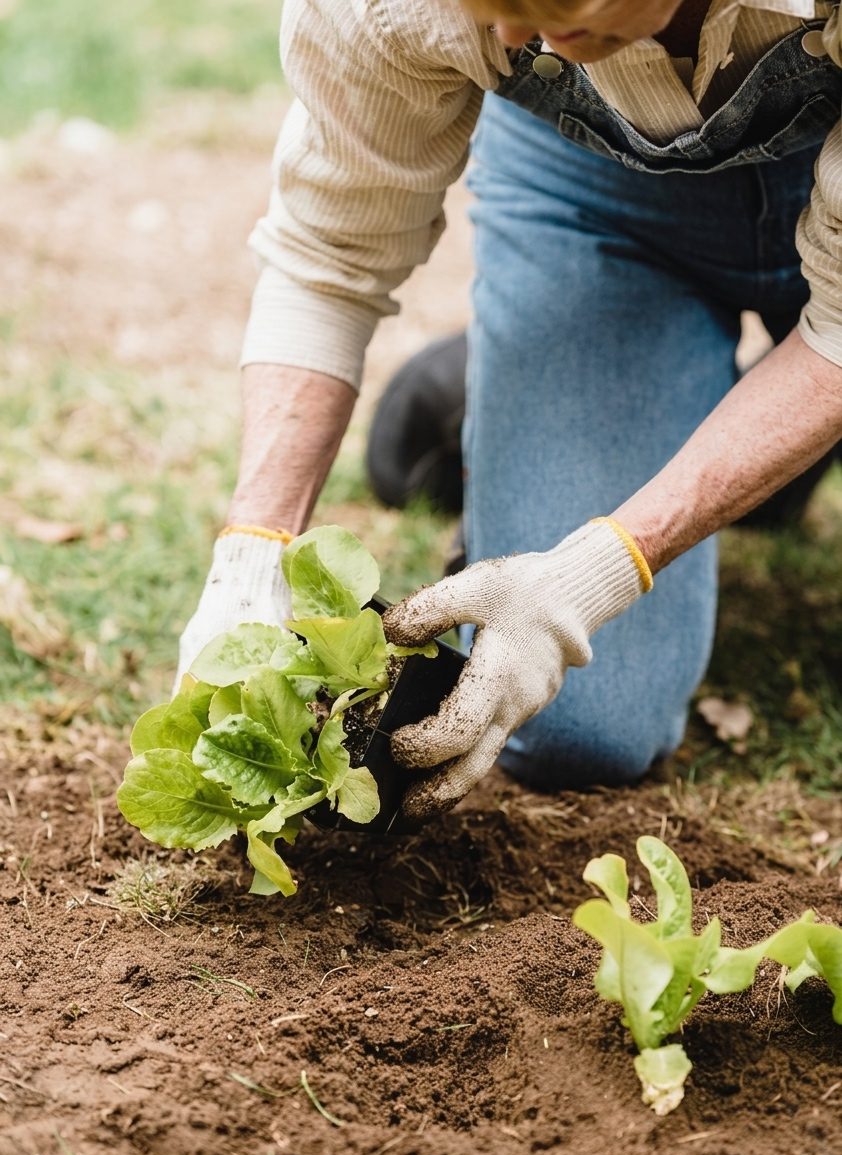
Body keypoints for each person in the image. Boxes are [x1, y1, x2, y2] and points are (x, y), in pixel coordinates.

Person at [178, 0, 842, 825]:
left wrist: (590, 575)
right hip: (600, 195)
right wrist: (251, 556)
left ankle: (763, 426)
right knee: (581, 731)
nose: (519, 40)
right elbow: (328, 256)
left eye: (555, 2)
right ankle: (566, 379)